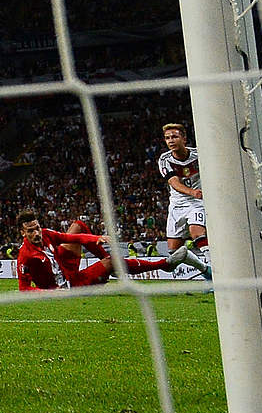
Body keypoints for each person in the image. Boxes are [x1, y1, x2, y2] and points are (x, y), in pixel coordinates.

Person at [15, 209, 207, 291]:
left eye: (37, 228)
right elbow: (24, 289)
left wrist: (95, 238)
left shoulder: (47, 234)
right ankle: (164, 264)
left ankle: (110, 264)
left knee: (79, 225)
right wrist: (48, 294)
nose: (37, 233)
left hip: (65, 269)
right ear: (23, 233)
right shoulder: (26, 256)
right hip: (67, 287)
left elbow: (73, 238)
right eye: (31, 231)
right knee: (113, 261)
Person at [158, 122, 209, 270]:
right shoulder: (165, 159)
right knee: (174, 251)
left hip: (197, 201)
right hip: (177, 203)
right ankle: (206, 270)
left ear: (184, 139)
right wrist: (192, 191)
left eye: (174, 136)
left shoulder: (199, 154)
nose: (171, 140)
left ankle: (217, 274)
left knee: (197, 232)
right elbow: (174, 183)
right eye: (167, 138)